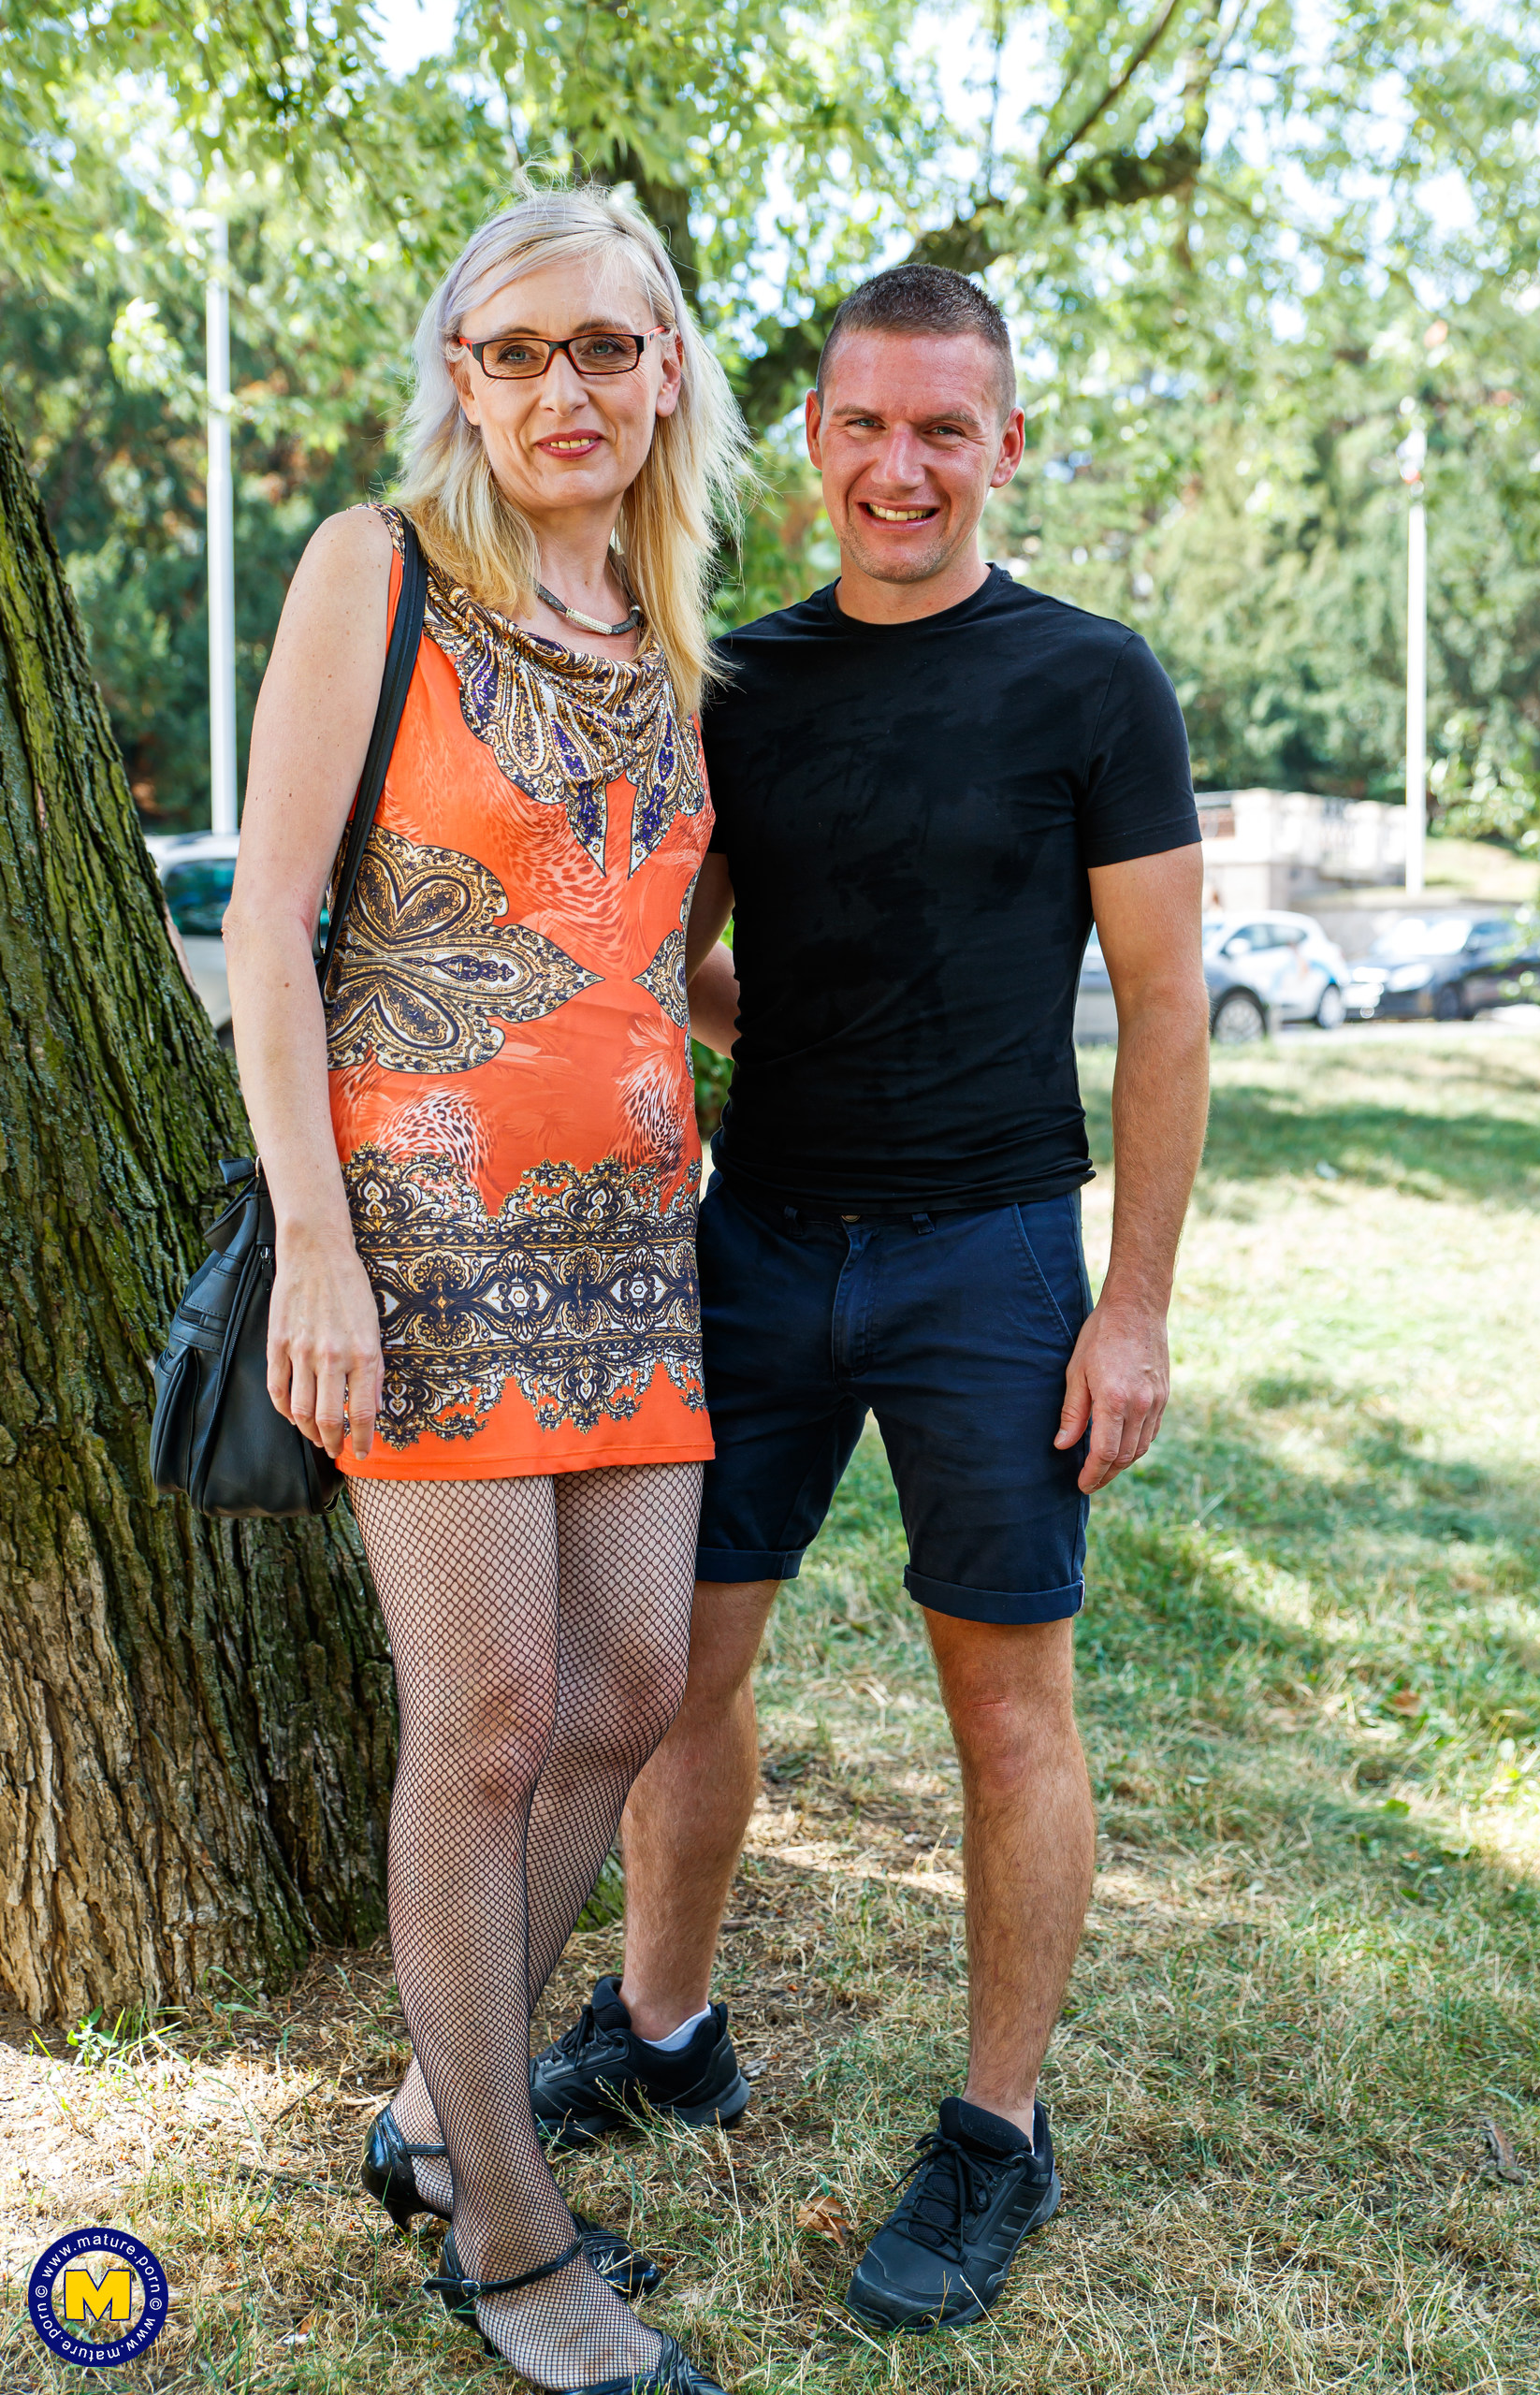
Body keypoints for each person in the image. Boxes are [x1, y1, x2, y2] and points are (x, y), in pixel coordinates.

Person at [529, 264, 1211, 2333]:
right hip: (754, 1244)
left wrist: (1133, 1308)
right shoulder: (737, 677)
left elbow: (1165, 1006)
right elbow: (661, 954)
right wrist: (795, 1030)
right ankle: (666, 2029)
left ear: (1003, 445)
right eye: (865, 424)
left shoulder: (1093, 682)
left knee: (1005, 1706)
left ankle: (995, 2131)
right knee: (670, 1669)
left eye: (943, 429)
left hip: (990, 1257)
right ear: (811, 440)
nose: (900, 466)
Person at [223, 183, 739, 2393]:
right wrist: (314, 1242)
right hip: (416, 1231)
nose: (561, 389)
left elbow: (645, 944)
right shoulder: (379, 567)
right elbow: (271, 918)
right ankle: (510, 2229)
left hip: (632, 1240)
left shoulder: (677, 631)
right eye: (515, 351)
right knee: (493, 1715)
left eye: (602, 346)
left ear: (666, 372)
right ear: (461, 376)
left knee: (627, 1690)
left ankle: (442, 2111)